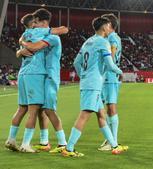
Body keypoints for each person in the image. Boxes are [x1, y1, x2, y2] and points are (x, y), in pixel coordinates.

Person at [61, 17, 127, 157]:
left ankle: (114, 145)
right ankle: (69, 148)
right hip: (94, 83)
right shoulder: (103, 42)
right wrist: (120, 72)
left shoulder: (88, 41)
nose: (110, 28)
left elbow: (76, 63)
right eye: (108, 26)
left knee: (101, 115)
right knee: (84, 115)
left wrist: (83, 76)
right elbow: (109, 65)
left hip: (89, 82)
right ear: (104, 28)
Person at [5, 13, 67, 153]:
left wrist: (22, 46)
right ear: (33, 23)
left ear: (40, 22)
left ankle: (58, 143)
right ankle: (28, 144)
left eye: (36, 22)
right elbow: (30, 48)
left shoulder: (42, 36)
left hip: (44, 76)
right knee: (35, 110)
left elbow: (34, 46)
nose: (35, 24)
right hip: (36, 74)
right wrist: (21, 50)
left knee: (39, 109)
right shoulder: (39, 33)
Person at [98, 13, 127, 151]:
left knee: (111, 107)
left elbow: (113, 52)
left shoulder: (112, 37)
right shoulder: (110, 37)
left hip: (110, 77)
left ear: (109, 24)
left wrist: (108, 61)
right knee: (106, 107)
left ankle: (113, 141)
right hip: (107, 77)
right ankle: (110, 138)